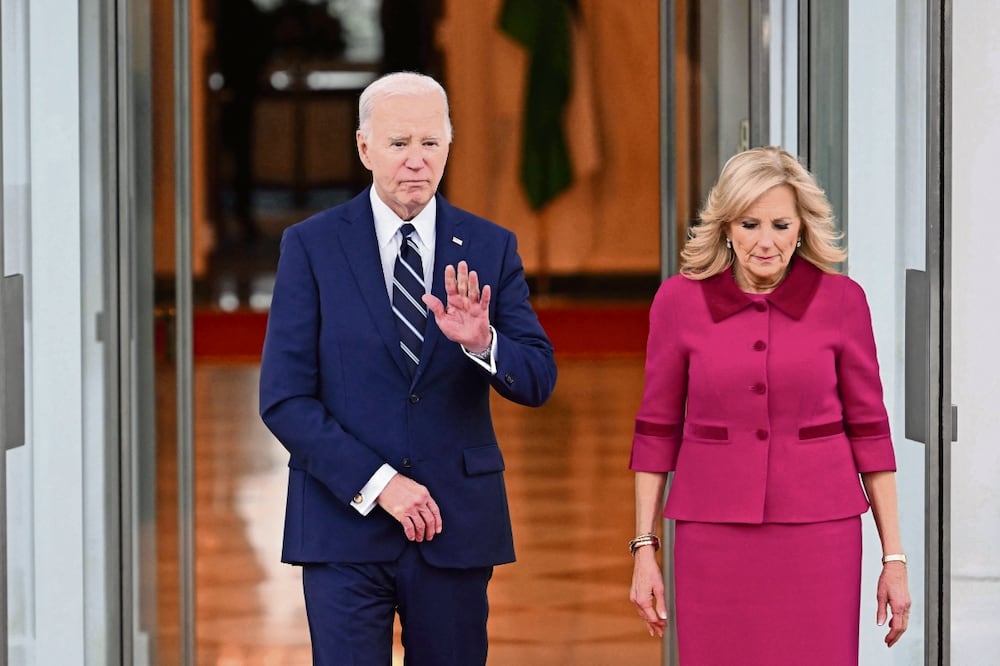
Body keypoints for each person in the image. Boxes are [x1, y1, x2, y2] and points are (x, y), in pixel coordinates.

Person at [258, 72, 556, 665]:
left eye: (430, 143)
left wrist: (483, 342)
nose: (416, 161)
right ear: (365, 148)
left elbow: (539, 377)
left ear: (450, 145)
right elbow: (284, 399)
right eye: (399, 144)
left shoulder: (490, 246)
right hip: (342, 523)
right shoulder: (311, 247)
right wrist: (380, 485)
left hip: (456, 524)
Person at [627, 146, 910, 664]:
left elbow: (871, 433)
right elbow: (654, 432)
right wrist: (644, 548)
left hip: (820, 535)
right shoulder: (678, 302)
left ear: (801, 226)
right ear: (726, 227)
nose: (765, 241)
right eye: (750, 223)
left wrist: (894, 557)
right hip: (712, 536)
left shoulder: (844, 301)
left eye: (780, 224)